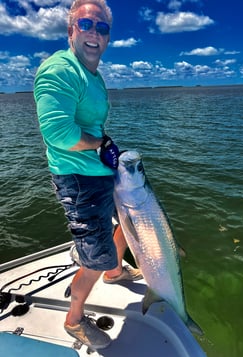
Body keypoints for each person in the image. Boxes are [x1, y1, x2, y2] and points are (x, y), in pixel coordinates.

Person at [34, 0, 141, 349]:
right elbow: (59, 135)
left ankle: (115, 272)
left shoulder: (92, 74)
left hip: (98, 169)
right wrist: (99, 144)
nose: (94, 32)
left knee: (126, 221)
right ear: (70, 31)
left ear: (108, 38)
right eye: (86, 24)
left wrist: (103, 149)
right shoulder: (60, 70)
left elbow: (89, 122)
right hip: (77, 178)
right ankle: (74, 320)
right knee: (95, 256)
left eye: (102, 27)